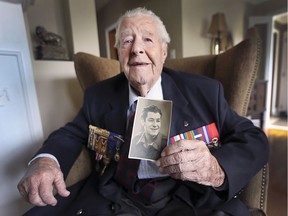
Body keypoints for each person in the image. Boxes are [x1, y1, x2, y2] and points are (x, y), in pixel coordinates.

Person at [18, 7, 269, 216]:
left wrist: (216, 169)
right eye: (127, 41)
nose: (137, 49)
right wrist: (45, 161)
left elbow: (254, 139)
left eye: (147, 39)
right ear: (119, 53)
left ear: (163, 51)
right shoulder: (98, 94)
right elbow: (71, 133)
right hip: (117, 196)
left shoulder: (205, 91)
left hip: (188, 198)